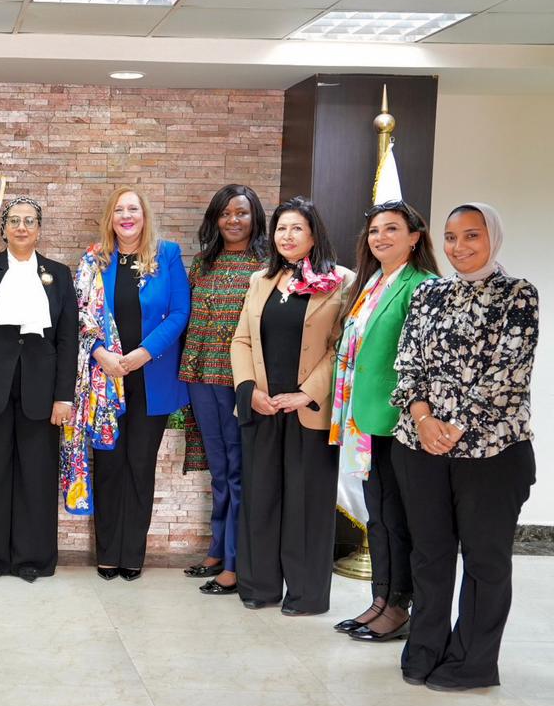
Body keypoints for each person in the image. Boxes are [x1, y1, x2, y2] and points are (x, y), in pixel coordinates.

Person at [391, 203, 537, 691]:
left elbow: (507, 374)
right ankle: (425, 650)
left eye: (472, 235)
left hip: (493, 452)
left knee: (484, 560)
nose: (459, 246)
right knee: (430, 554)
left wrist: (454, 426)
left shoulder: (517, 294)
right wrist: (423, 419)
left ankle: (472, 663)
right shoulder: (428, 293)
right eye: (451, 237)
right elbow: (407, 363)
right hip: (420, 445)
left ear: (492, 237)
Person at [230, 197, 354, 614]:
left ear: (314, 234)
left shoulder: (341, 281)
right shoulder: (260, 280)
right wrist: (249, 390)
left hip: (309, 408)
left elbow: (342, 348)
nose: (287, 236)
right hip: (263, 405)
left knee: (306, 504)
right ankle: (259, 586)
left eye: (297, 228)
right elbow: (241, 339)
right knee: (260, 498)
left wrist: (307, 392)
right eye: (281, 228)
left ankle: (306, 595)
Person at [63, 188, 189, 581]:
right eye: (119, 210)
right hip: (106, 379)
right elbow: (80, 312)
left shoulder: (167, 255)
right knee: (109, 465)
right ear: (110, 217)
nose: (126, 215)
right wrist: (100, 353)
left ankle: (132, 554)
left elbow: (180, 312)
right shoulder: (95, 259)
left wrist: (144, 353)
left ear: (144, 214)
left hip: (151, 377)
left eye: (133, 208)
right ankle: (107, 553)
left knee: (139, 466)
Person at [329, 201, 438, 640]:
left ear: (414, 237)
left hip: (398, 420)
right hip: (363, 418)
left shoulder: (423, 285)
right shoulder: (372, 282)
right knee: (378, 516)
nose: (380, 238)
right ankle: (380, 598)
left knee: (396, 517)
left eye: (392, 229)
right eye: (375, 230)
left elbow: (423, 361)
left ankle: (398, 605)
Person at [0, 196, 77, 582]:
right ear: (4, 229)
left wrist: (64, 396)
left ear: (39, 230)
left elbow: (68, 340)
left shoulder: (59, 274)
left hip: (41, 390)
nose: (22, 227)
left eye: (29, 221)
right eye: (14, 221)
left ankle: (32, 558)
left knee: (36, 475)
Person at [178, 184, 268, 595]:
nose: (233, 220)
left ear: (255, 218)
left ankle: (235, 563)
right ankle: (216, 549)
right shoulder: (202, 263)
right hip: (200, 377)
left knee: (237, 472)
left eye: (241, 213)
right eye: (226, 213)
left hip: (240, 381)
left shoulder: (267, 265)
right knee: (218, 470)